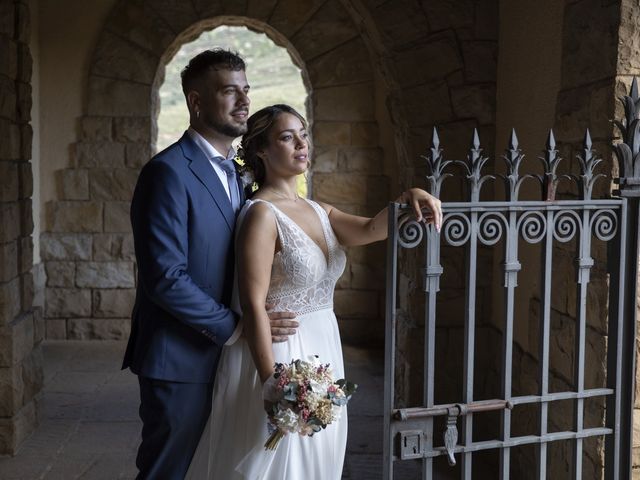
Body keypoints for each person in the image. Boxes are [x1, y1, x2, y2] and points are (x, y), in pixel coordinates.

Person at [186, 104, 442, 479]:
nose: (301, 144)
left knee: (320, 457)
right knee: (278, 463)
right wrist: (272, 384)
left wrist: (412, 195)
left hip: (325, 350)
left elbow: (372, 229)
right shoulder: (261, 214)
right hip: (283, 355)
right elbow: (254, 304)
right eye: (287, 137)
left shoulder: (318, 210)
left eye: (303, 134)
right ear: (261, 150)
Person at [122, 50, 298, 480]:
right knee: (169, 470)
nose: (243, 101)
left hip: (226, 357)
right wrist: (237, 326)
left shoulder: (239, 168)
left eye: (246, 90)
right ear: (196, 103)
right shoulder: (166, 172)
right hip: (180, 357)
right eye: (228, 91)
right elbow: (165, 278)